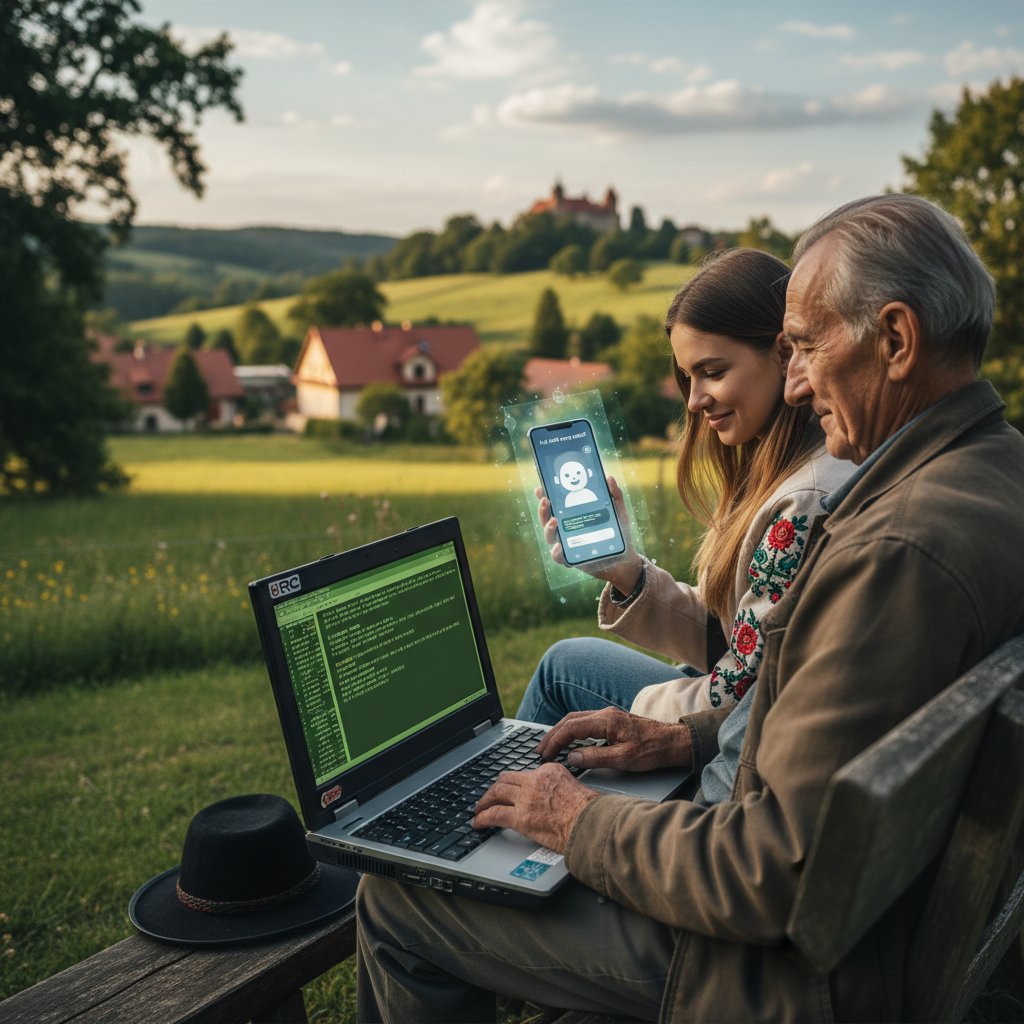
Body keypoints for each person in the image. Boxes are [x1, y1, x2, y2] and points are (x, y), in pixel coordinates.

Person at [356, 194, 1024, 1023]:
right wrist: (689, 733)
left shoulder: (892, 555)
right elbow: (796, 713)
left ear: (895, 340)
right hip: (878, 919)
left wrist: (578, 820)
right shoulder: (993, 470)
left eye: (807, 347)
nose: (799, 380)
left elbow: (772, 872)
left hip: (788, 975)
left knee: (394, 903)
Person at [517, 250, 853, 784]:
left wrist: (638, 714)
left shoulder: (802, 502)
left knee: (562, 670)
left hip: (726, 742)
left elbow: (737, 696)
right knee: (567, 657)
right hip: (732, 707)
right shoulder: (785, 464)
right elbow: (736, 639)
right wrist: (626, 572)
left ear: (784, 353)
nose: (694, 400)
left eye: (712, 372)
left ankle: (470, 850)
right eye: (686, 377)